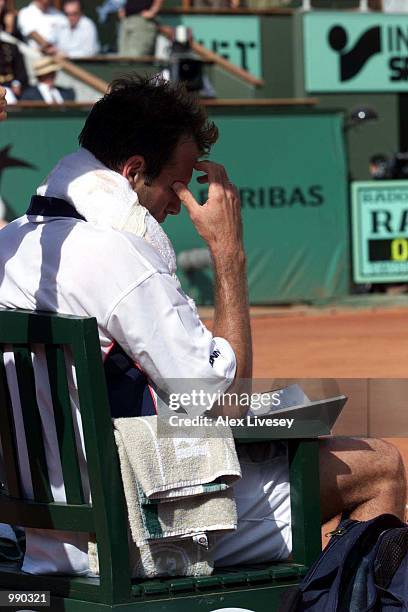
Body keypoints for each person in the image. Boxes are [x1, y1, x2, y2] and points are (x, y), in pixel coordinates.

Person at [0, 76, 405, 575]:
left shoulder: (11, 246)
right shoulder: (115, 255)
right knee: (378, 464)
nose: (180, 201)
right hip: (130, 534)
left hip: (42, 536)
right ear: (133, 171)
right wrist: (228, 253)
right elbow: (220, 402)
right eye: (179, 180)